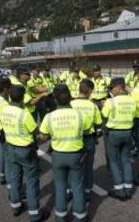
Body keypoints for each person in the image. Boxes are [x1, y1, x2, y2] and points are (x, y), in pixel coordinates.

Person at [0, 85, 50, 222]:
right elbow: (36, 132)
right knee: (32, 180)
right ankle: (35, 214)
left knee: (15, 178)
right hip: (25, 150)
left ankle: (16, 206)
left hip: (11, 148)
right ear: (22, 98)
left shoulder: (4, 110)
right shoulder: (24, 114)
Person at [39, 85, 89, 222]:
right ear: (70, 98)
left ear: (55, 100)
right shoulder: (79, 115)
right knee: (77, 186)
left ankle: (60, 217)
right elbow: (86, 131)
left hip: (58, 156)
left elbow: (42, 136)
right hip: (76, 155)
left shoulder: (49, 117)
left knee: (60, 186)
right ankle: (80, 217)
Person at [102, 78, 136, 201]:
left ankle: (120, 191)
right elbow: (133, 115)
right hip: (128, 133)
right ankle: (128, 189)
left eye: (112, 88)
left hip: (114, 134)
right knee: (126, 160)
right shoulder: (132, 101)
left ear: (119, 87)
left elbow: (104, 116)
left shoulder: (110, 102)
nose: (111, 90)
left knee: (114, 162)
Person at [70, 79, 102, 202]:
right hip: (89, 140)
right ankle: (87, 192)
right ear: (89, 91)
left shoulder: (71, 104)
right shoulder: (93, 106)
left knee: (74, 167)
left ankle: (71, 191)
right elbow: (98, 123)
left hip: (74, 139)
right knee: (88, 167)